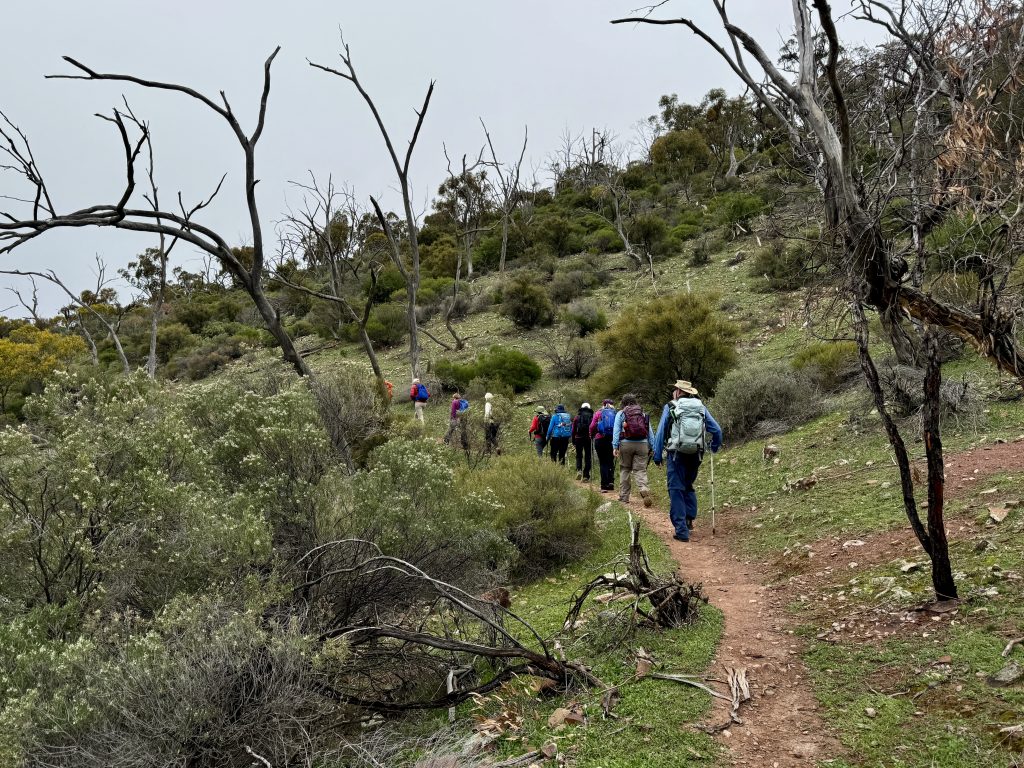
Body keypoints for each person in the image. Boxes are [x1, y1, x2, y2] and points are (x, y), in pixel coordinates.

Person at [651, 379, 723, 542]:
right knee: (688, 484)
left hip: (676, 453)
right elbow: (716, 430)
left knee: (675, 488)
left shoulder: (671, 406)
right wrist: (714, 446)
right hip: (696, 454)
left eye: (675, 389)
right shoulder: (700, 407)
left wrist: (657, 456)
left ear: (678, 392)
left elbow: (661, 431)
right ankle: (689, 519)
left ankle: (681, 530)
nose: (673, 392)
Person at [612, 393, 653, 506]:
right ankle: (643, 488)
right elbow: (649, 431)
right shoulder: (642, 413)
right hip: (642, 444)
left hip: (626, 444)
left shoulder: (621, 413)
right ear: (635, 402)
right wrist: (652, 446)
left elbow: (616, 431)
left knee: (625, 469)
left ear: (623, 403)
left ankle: (624, 497)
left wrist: (615, 446)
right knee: (640, 469)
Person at [590, 398, 617, 493]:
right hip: (611, 439)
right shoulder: (615, 413)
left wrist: (591, 434)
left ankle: (604, 485)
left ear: (603, 404)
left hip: (600, 439)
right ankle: (611, 482)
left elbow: (592, 426)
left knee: (603, 462)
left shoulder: (598, 413)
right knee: (610, 460)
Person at [572, 402, 594, 482]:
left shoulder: (577, 417)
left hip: (578, 438)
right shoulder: (592, 416)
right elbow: (594, 427)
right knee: (588, 456)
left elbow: (573, 430)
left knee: (579, 455)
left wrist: (573, 441)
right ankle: (586, 475)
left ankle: (579, 470)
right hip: (588, 439)